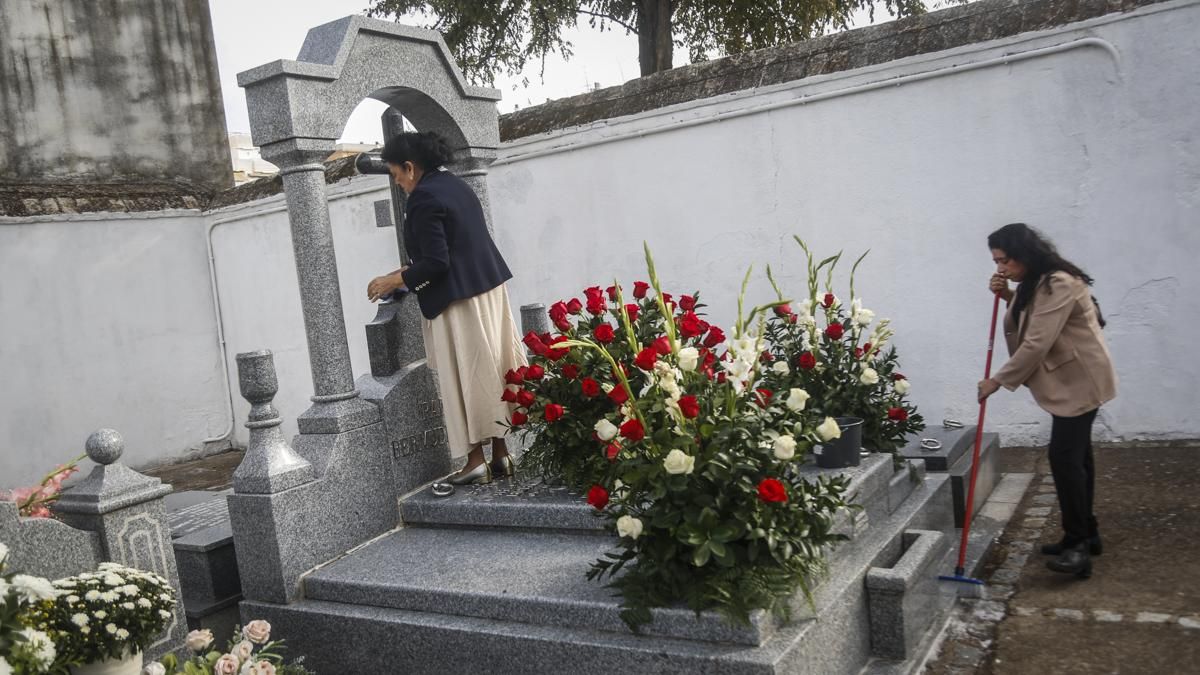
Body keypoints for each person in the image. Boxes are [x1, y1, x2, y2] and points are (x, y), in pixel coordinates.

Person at [366, 131, 527, 486]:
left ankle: (475, 461)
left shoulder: (423, 198)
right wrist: (404, 274)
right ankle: (501, 454)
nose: (398, 183)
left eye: (396, 174)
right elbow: (455, 246)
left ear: (410, 167)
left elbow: (437, 262)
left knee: (466, 376)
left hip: (459, 299)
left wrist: (394, 281)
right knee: (492, 368)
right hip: (488, 289)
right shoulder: (456, 185)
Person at [977, 223, 1117, 579]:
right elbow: (1035, 317)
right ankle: (1086, 534)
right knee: (1077, 457)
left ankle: (1078, 545)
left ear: (1024, 253)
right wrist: (1008, 296)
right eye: (996, 262)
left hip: (1080, 381)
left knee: (1065, 458)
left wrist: (998, 380)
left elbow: (1037, 341)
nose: (1001, 268)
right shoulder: (1037, 282)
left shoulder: (1059, 282)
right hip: (1070, 380)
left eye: (1005, 260)